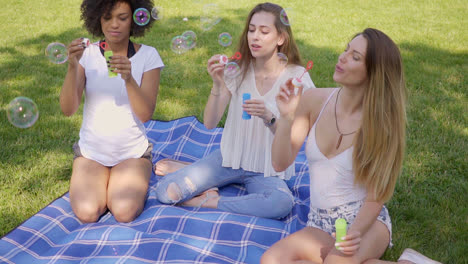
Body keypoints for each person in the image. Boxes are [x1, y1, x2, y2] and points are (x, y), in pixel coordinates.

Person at [261, 28, 441, 264]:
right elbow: (279, 162)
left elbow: (377, 196)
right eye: (347, 49)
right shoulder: (313, 100)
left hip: (364, 223)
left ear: (373, 73)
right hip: (320, 222)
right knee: (271, 260)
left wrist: (355, 232)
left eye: (355, 57)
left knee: (336, 262)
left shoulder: (380, 124)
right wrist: (286, 117)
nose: (342, 57)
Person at [154, 2, 315, 219]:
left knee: (280, 203)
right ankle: (202, 174)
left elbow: (296, 139)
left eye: (264, 31)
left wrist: (270, 117)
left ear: (281, 38)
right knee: (166, 192)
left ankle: (211, 199)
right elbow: (210, 123)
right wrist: (218, 85)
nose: (254, 37)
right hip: (229, 159)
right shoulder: (236, 71)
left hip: (268, 170)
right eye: (251, 29)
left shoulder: (297, 78)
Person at [60, 0, 164, 223]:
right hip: (91, 154)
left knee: (124, 211)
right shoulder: (87, 54)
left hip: (131, 153)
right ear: (97, 18)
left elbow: (145, 114)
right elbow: (68, 109)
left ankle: (120, 179)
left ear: (135, 20)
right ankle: (102, 180)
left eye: (122, 17)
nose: (114, 24)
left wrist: (128, 79)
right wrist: (72, 66)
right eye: (107, 17)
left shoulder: (149, 56)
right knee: (87, 212)